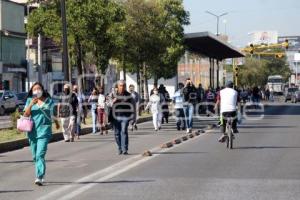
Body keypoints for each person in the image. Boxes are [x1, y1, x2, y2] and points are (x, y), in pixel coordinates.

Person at [23, 82, 60, 186]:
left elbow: (53, 113)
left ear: (42, 90)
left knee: (40, 154)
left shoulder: (48, 101)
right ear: (32, 91)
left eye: (38, 89)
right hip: (32, 131)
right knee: (35, 156)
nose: (37, 91)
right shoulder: (30, 100)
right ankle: (40, 173)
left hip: (44, 131)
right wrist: (31, 104)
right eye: (34, 89)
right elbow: (25, 114)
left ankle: (39, 176)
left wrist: (56, 122)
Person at [112, 80, 134, 155]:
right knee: (117, 133)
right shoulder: (113, 94)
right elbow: (107, 104)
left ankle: (125, 149)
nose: (122, 87)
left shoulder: (129, 95)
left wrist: (132, 119)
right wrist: (113, 101)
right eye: (121, 86)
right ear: (117, 86)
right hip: (115, 116)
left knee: (124, 131)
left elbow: (132, 106)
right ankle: (119, 148)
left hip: (125, 116)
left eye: (124, 86)